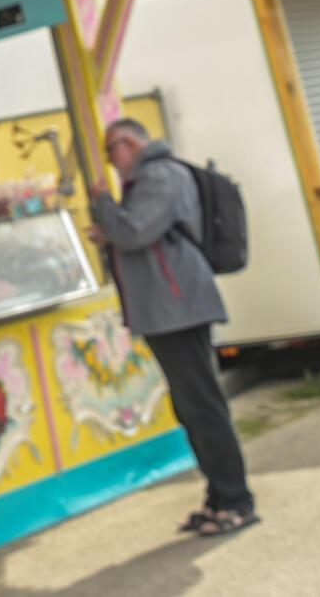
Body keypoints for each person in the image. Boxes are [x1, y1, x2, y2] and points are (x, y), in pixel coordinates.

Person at [91, 118, 257, 538]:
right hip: (169, 308)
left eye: (112, 151)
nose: (112, 161)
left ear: (129, 143)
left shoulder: (159, 175)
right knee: (192, 407)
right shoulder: (154, 176)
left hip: (179, 307)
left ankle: (236, 501)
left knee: (203, 406)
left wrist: (102, 203)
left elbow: (134, 231)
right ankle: (218, 498)